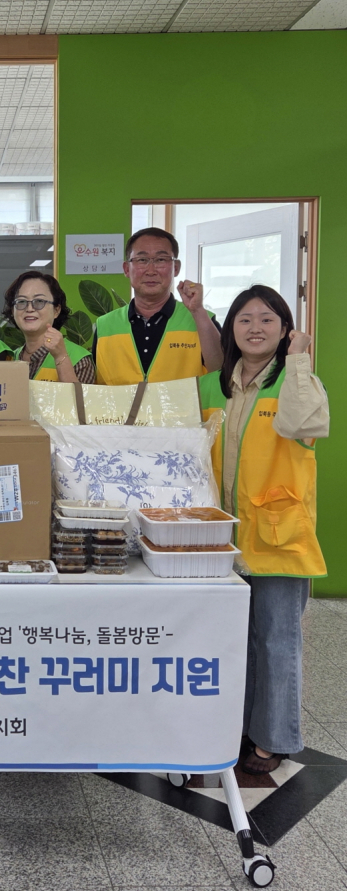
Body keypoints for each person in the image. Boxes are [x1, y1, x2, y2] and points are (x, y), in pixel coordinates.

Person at [199, 285, 329, 775]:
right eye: (245, 319)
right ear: (230, 329)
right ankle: (238, 726)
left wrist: (298, 360)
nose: (255, 328)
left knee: (276, 640)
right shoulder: (215, 387)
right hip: (222, 537)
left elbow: (302, 425)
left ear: (286, 329)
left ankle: (274, 738)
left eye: (267, 319)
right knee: (235, 639)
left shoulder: (298, 382)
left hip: (279, 535)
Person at [94, 227, 223, 385]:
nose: (151, 270)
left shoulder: (203, 320)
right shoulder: (104, 325)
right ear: (127, 269)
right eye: (142, 260)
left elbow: (222, 371)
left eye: (161, 260)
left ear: (176, 268)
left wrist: (198, 311)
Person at [2, 270, 95, 383]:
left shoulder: (78, 358)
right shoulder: (9, 358)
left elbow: (79, 395)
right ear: (13, 311)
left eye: (39, 301)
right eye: (21, 301)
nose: (29, 308)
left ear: (56, 310)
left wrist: (61, 358)